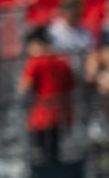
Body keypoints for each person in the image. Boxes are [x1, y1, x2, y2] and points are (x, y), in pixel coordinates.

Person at [18, 28, 76, 166]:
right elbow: (71, 85)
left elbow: (24, 87)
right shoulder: (61, 61)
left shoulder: (35, 61)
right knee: (56, 155)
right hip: (61, 115)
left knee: (42, 158)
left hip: (41, 117)